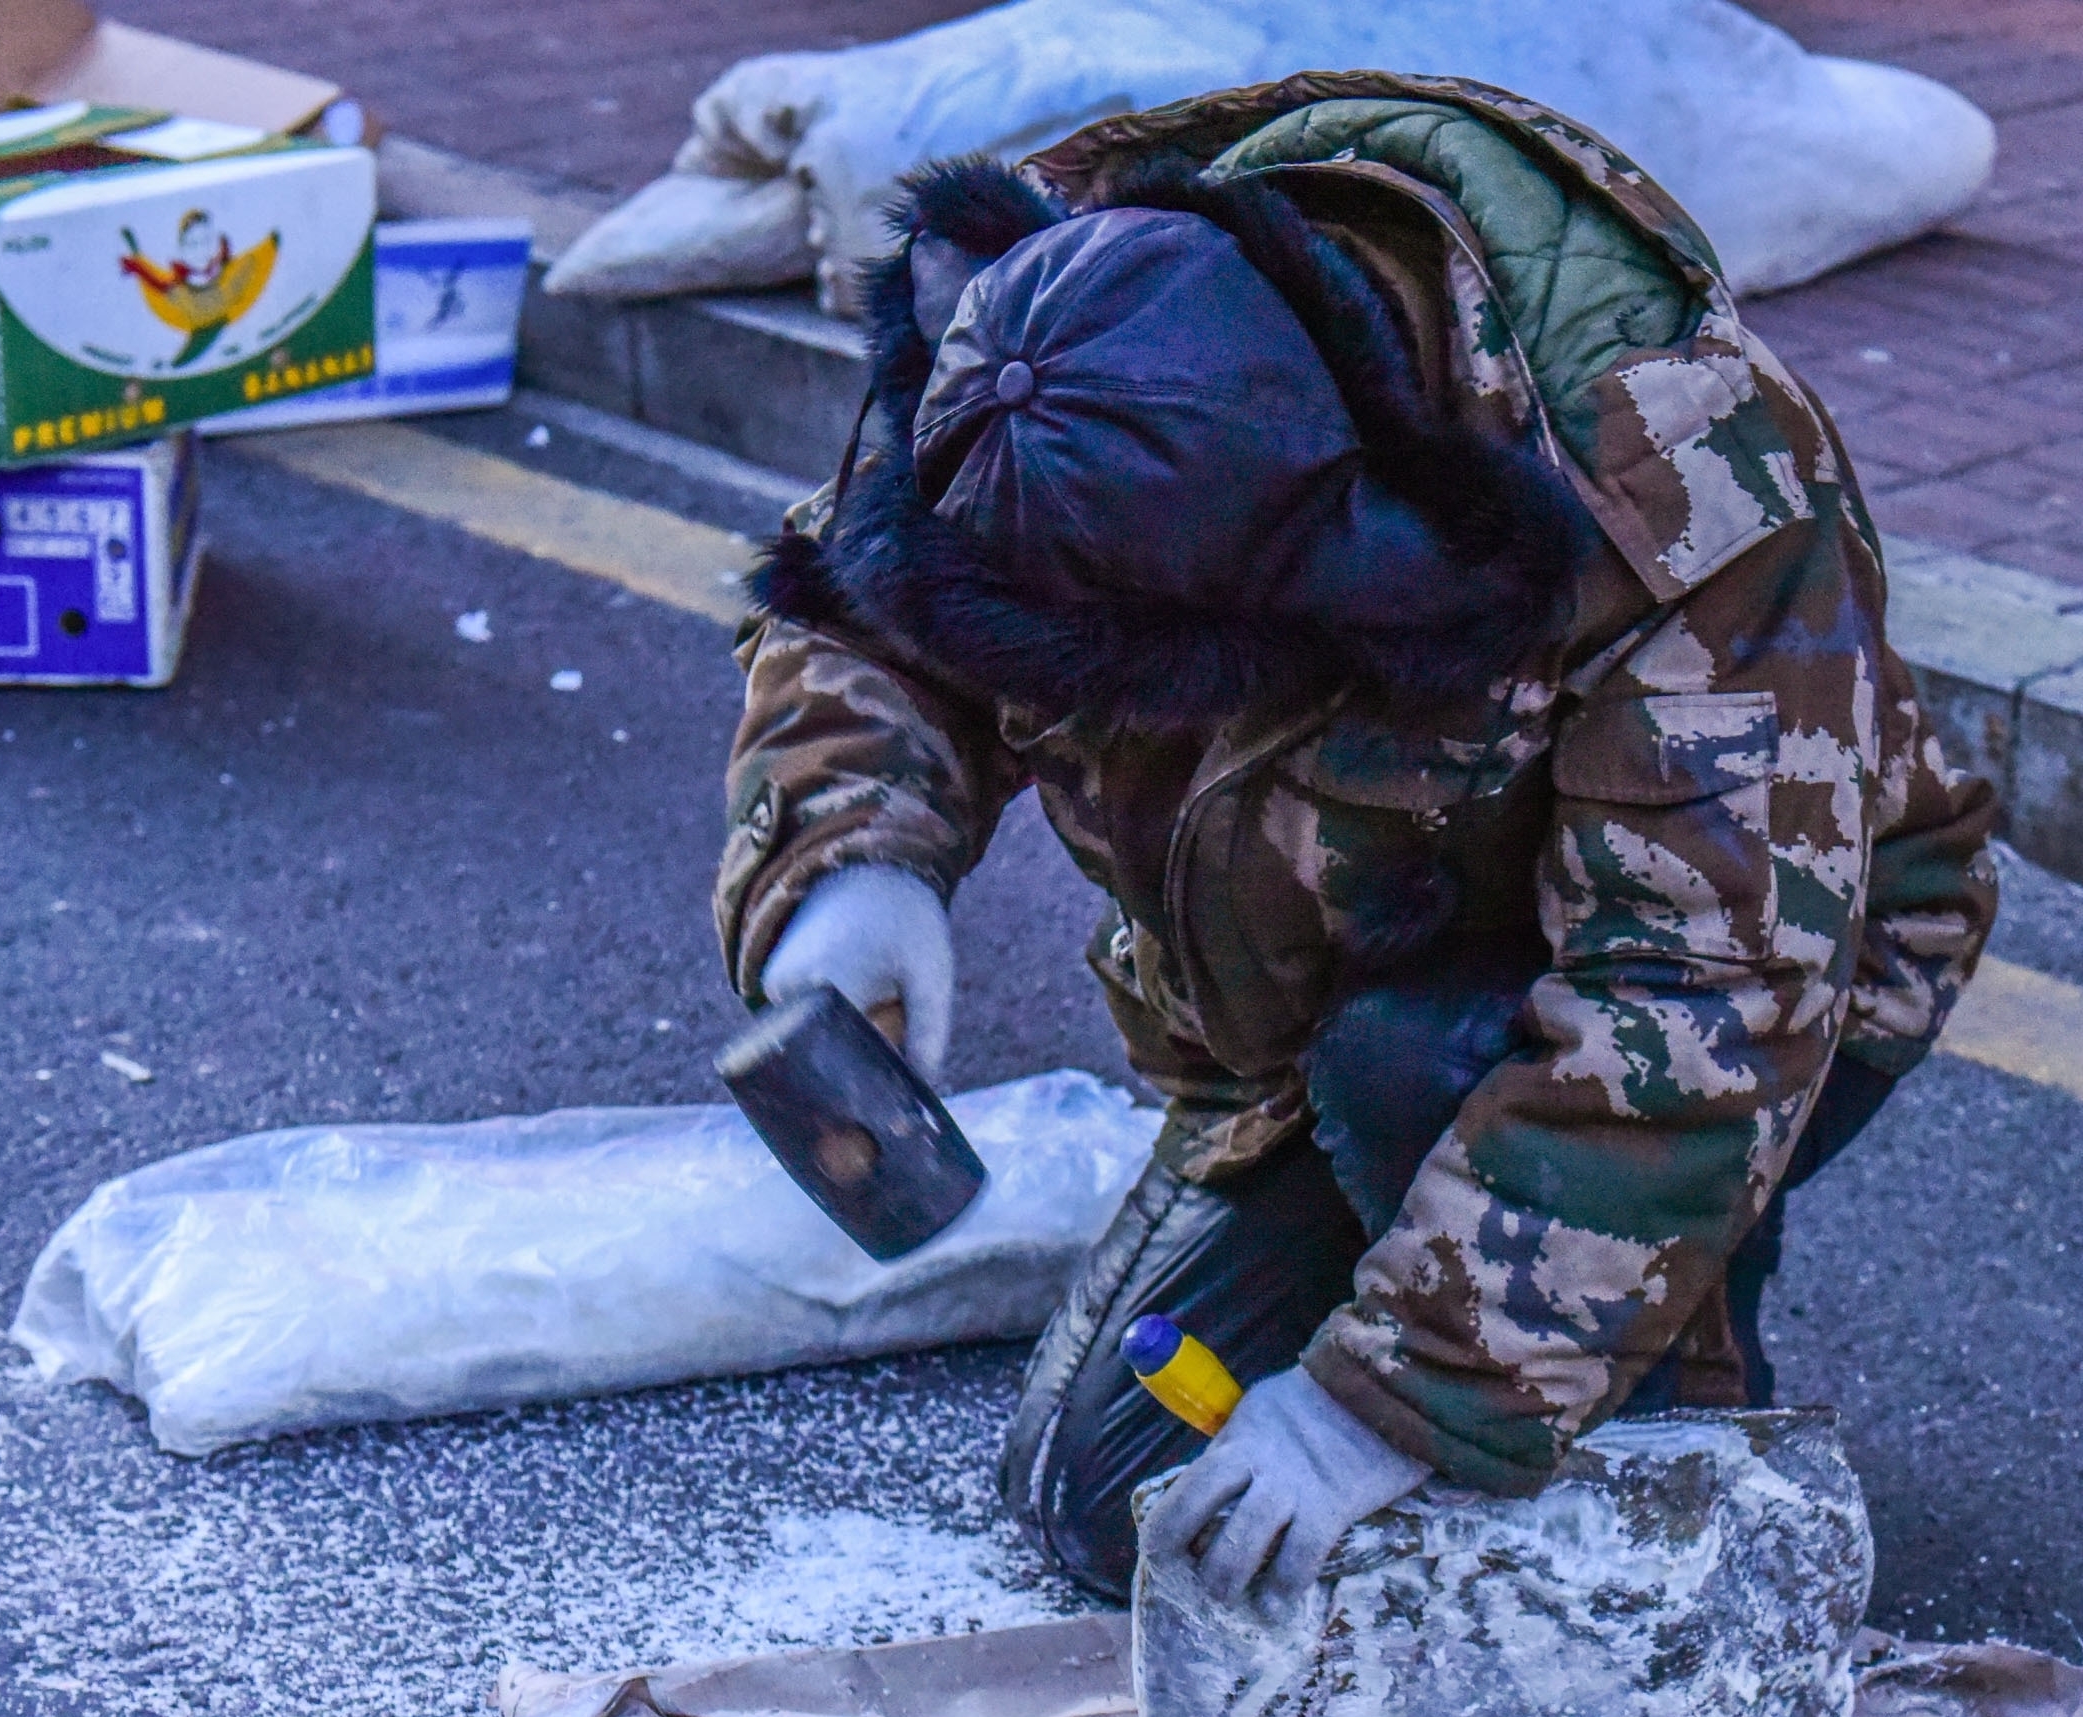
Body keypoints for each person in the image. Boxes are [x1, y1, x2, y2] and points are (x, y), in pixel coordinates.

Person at [719, 75, 1998, 1607]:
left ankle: (1674, 1471)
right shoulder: (1048, 315)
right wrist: (855, 863)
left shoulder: (1671, 476)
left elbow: (1698, 1000)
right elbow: (877, 607)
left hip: (1746, 976)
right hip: (1333, 973)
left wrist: (1385, 1403)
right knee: (1114, 1500)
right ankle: (1470, 1282)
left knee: (1414, 1081)